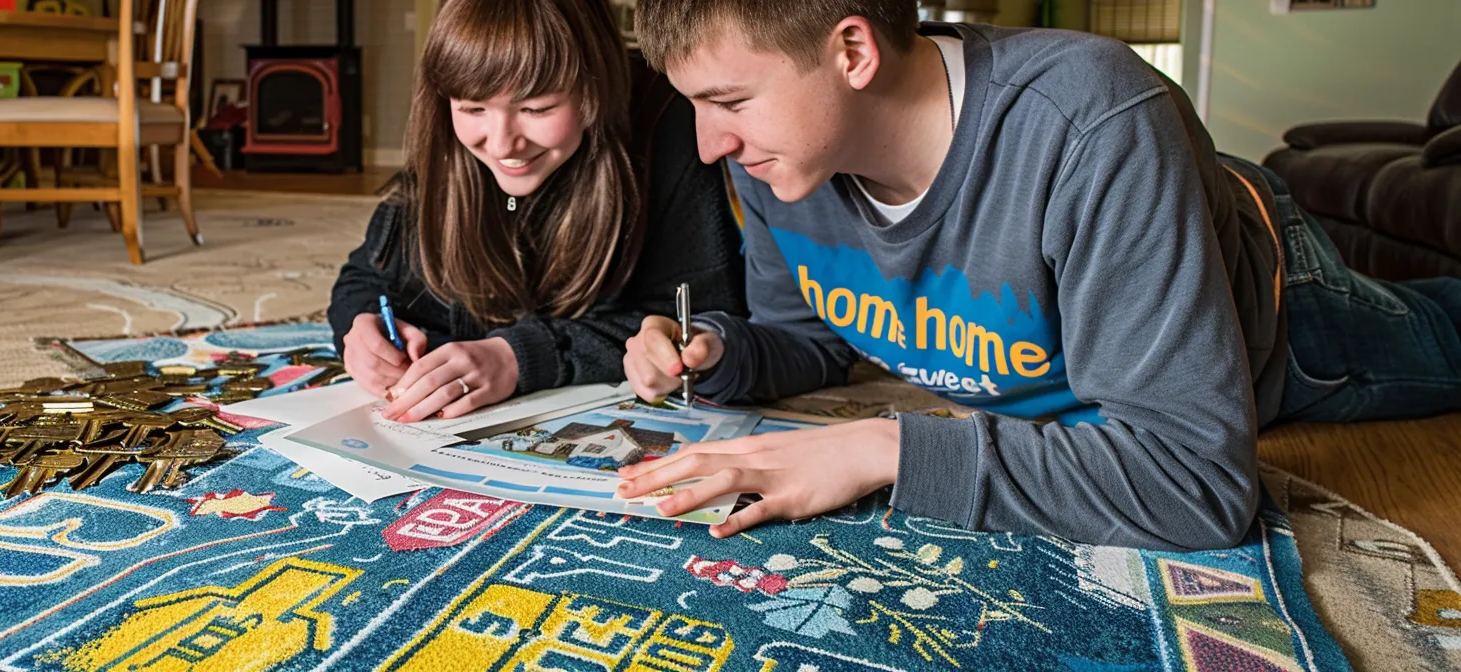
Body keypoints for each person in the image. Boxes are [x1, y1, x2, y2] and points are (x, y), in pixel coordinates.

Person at [616, 0, 1461, 548]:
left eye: (729, 102)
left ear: (851, 51)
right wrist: (720, 352)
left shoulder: (1093, 120)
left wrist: (889, 447)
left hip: (1272, 300)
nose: (707, 145)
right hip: (1116, 229)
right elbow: (813, 341)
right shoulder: (778, 162)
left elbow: (1193, 482)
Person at [327, 0, 746, 424]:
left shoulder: (666, 121)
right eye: (473, 108)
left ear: (594, 87)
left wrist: (520, 357)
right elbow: (365, 279)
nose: (503, 144)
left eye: (536, 109)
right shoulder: (445, 142)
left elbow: (700, 322)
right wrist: (359, 326)